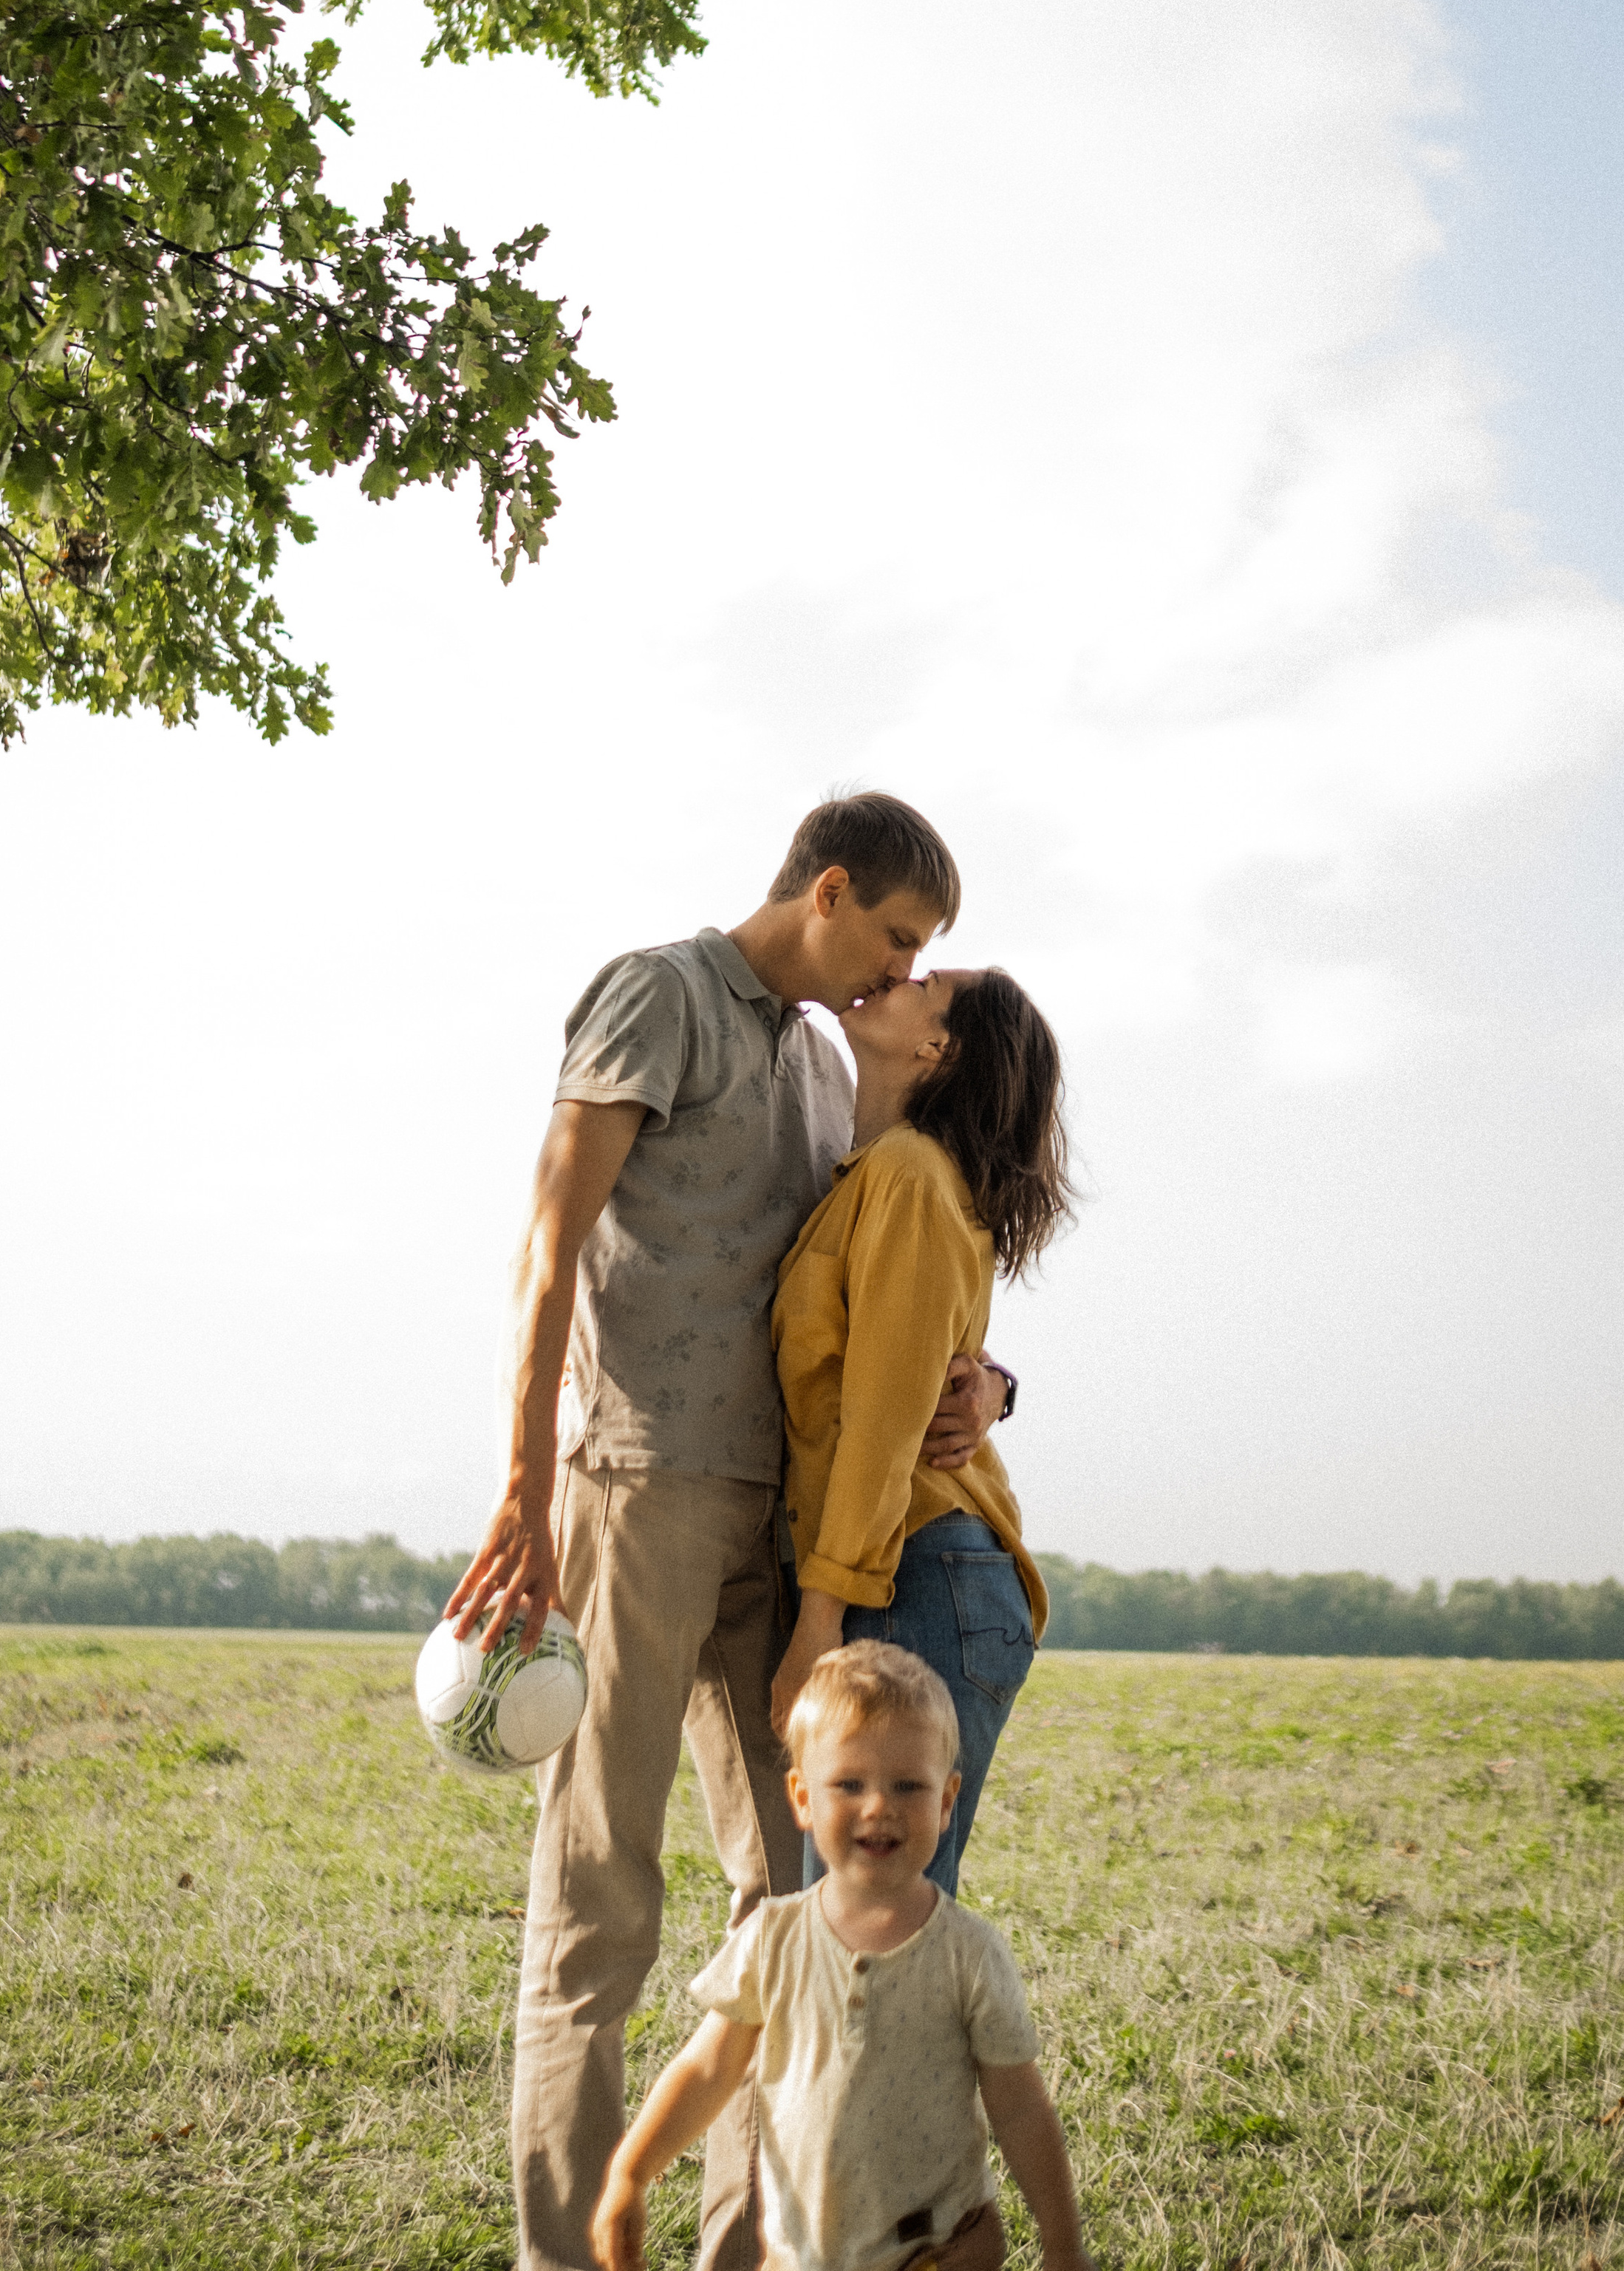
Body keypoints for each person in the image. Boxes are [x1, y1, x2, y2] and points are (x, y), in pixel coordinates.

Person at [444, 795, 1015, 2271]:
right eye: (891, 938)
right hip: (630, 1487)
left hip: (775, 1536)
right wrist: (523, 1484)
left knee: (797, 1902)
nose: (896, 974)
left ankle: (743, 2252)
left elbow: (867, 1279)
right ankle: (564, 2253)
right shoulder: (658, 995)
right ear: (826, 890)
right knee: (597, 1910)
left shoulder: (825, 1068)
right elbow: (548, 1239)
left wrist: (990, 1376)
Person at [590, 1641, 1095, 2271]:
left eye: (908, 1785)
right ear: (802, 1798)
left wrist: (1064, 2246)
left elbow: (1020, 2109)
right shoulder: (772, 1939)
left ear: (946, 1802)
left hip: (936, 2252)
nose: (878, 1805)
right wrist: (631, 2174)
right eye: (849, 1784)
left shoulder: (968, 1953)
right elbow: (706, 2071)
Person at [768, 968, 1073, 1894]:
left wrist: (818, 1618)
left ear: (937, 1048)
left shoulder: (906, 1177)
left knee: (881, 1922)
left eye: (926, 982)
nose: (900, 975)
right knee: (869, 1919)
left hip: (913, 1580)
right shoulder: (879, 1170)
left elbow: (882, 1424)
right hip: (910, 1575)